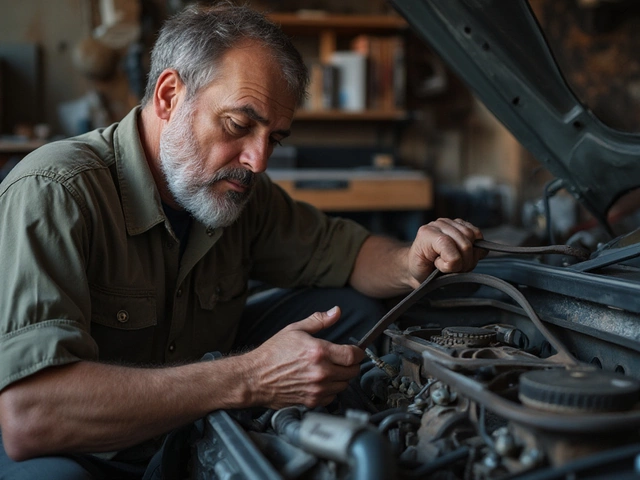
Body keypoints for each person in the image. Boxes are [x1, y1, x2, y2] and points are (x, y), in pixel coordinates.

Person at [0, 3, 485, 478]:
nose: (258, 161)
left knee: (353, 306)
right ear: (169, 96)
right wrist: (252, 378)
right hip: (81, 448)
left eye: (274, 138)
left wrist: (411, 260)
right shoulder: (54, 192)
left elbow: (348, 253)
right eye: (238, 124)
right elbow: (31, 417)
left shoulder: (240, 193)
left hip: (185, 420)